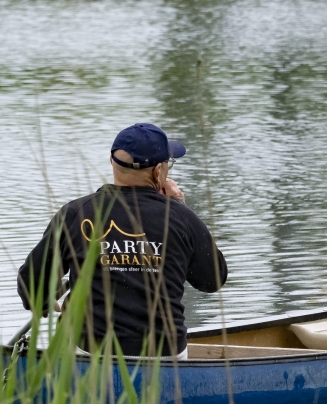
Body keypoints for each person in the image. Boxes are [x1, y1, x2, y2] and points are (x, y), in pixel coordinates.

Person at [17, 123, 227, 356]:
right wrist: (178, 207)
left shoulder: (77, 212)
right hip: (165, 354)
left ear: (111, 161)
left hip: (90, 351)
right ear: (158, 171)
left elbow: (30, 282)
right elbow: (212, 281)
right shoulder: (180, 216)